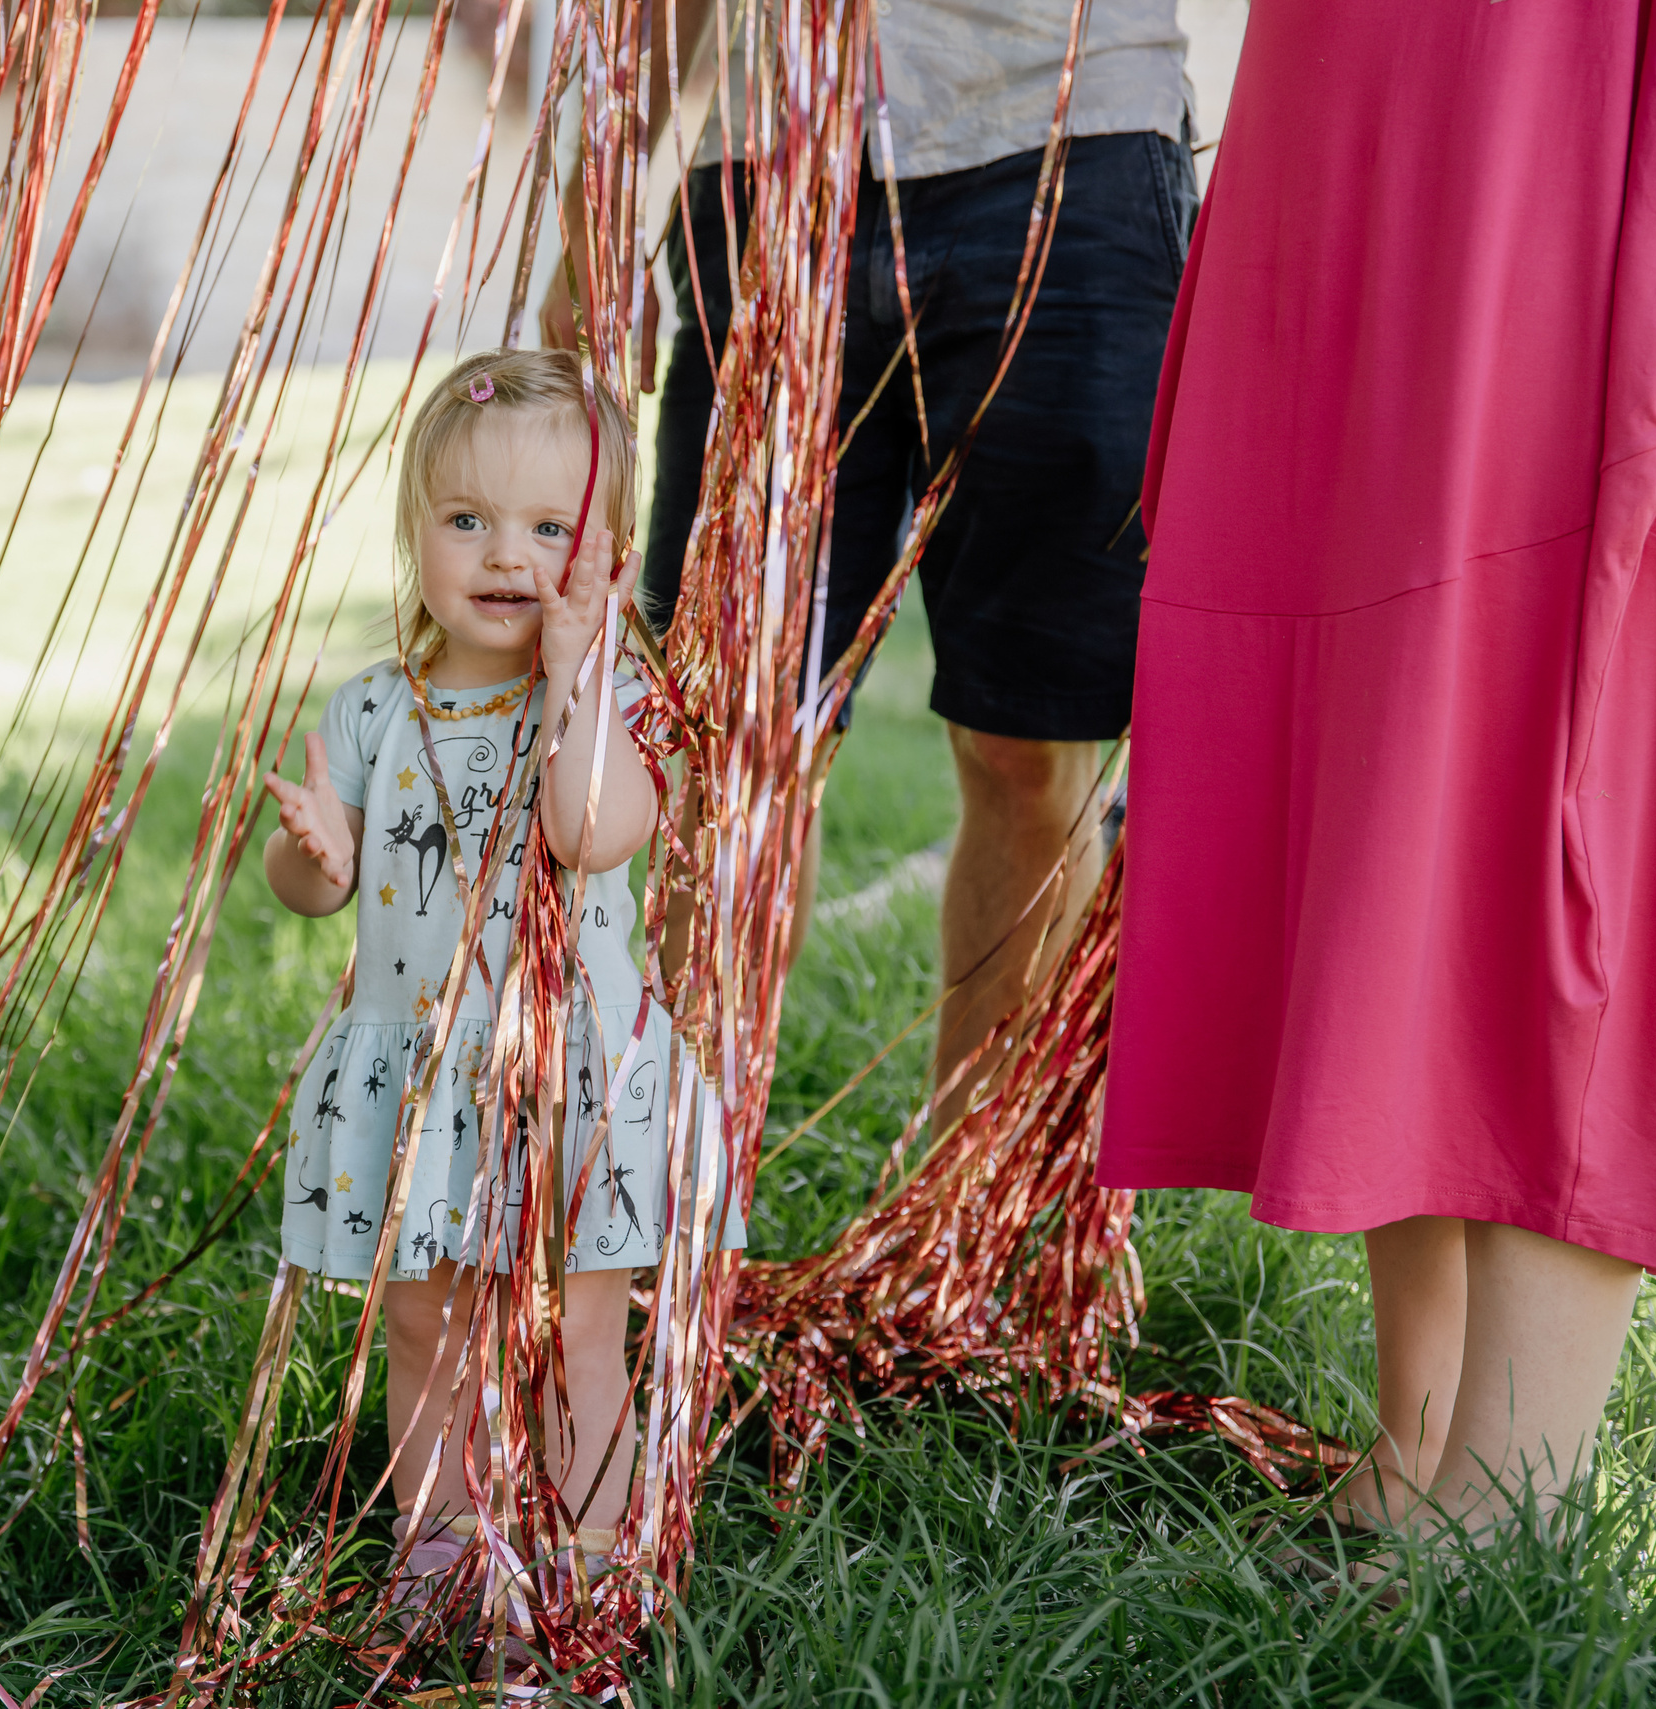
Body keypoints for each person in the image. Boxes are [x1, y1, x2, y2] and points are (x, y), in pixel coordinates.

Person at [1099, 0, 1656, 1545]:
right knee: (1375, 746)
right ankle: (1416, 1431)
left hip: (1559, 69)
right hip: (1351, 80)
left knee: (1535, 726)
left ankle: (1503, 1509)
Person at [543, 1, 1194, 1121]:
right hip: (769, 163)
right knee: (729, 741)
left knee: (1028, 744)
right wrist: (598, 184)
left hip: (1073, 138)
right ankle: (661, 1218)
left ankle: (962, 1243)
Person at [262, 350, 715, 1597]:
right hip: (423, 1078)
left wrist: (574, 671)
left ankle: (583, 1560)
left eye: (549, 527)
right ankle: (442, 1550)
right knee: (428, 1320)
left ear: (607, 551)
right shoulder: (372, 708)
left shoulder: (613, 700)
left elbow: (592, 831)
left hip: (578, 1076)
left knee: (579, 1330)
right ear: (418, 535)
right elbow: (309, 893)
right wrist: (320, 850)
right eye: (467, 521)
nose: (507, 555)